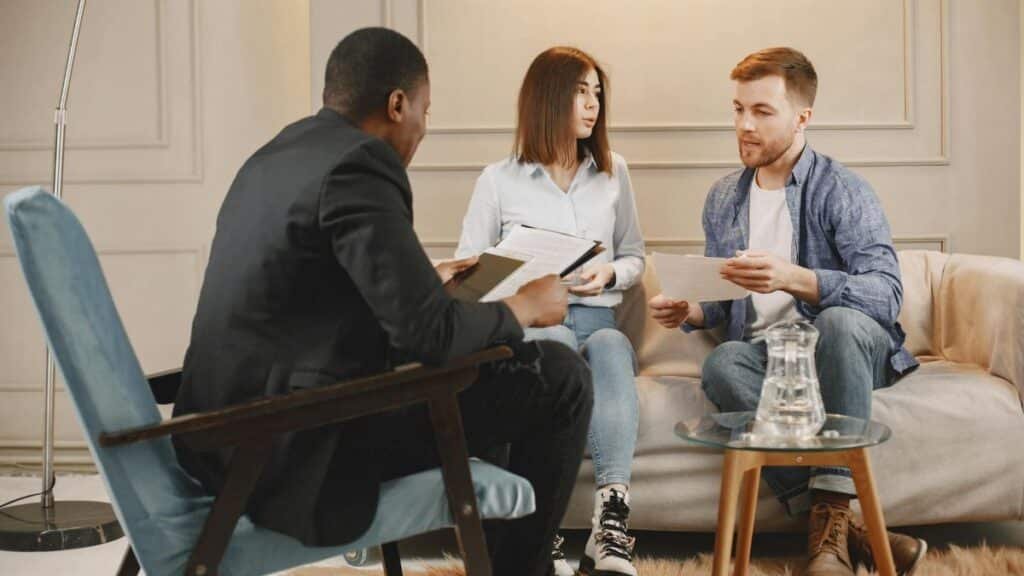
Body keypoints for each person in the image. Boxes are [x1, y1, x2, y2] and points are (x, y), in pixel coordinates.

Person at [173, 27, 593, 576]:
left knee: (493, 360)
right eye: (424, 110)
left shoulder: (274, 156)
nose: (423, 127)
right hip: (292, 450)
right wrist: (525, 306)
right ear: (397, 104)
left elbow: (308, 301)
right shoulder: (361, 163)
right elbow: (430, 338)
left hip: (221, 437)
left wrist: (427, 285)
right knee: (559, 375)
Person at [647, 47, 926, 575]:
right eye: (738, 109)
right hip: (774, 360)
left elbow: (886, 294)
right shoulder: (724, 197)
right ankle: (837, 525)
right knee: (723, 362)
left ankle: (829, 531)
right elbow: (726, 297)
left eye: (762, 111)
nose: (744, 125)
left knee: (839, 322)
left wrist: (795, 278)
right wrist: (692, 310)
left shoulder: (843, 190)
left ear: (802, 118)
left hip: (845, 351)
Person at [457, 46, 644, 576]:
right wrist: (523, 282)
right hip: (537, 324)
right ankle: (544, 533)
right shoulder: (498, 179)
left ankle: (611, 526)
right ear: (547, 98)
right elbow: (471, 278)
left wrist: (610, 274)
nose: (592, 104)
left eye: (597, 93)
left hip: (598, 316)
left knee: (611, 344)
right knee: (555, 347)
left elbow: (634, 255)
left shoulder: (613, 171)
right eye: (580, 92)